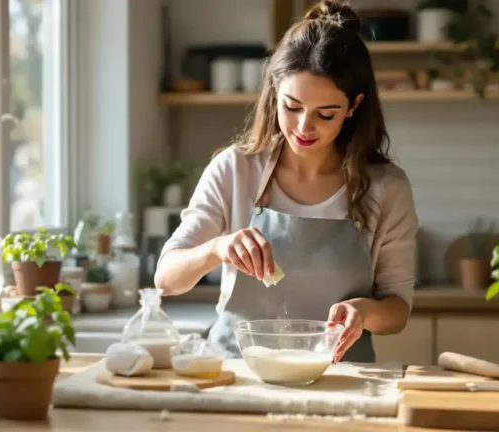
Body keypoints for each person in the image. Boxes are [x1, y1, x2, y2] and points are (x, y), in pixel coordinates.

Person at [155, 0, 418, 363]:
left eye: (326, 114)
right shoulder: (235, 170)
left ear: (354, 106)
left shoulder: (386, 188)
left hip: (342, 378)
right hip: (238, 374)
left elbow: (397, 309)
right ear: (275, 89)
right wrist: (218, 248)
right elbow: (166, 279)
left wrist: (366, 312)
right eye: (292, 107)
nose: (304, 127)